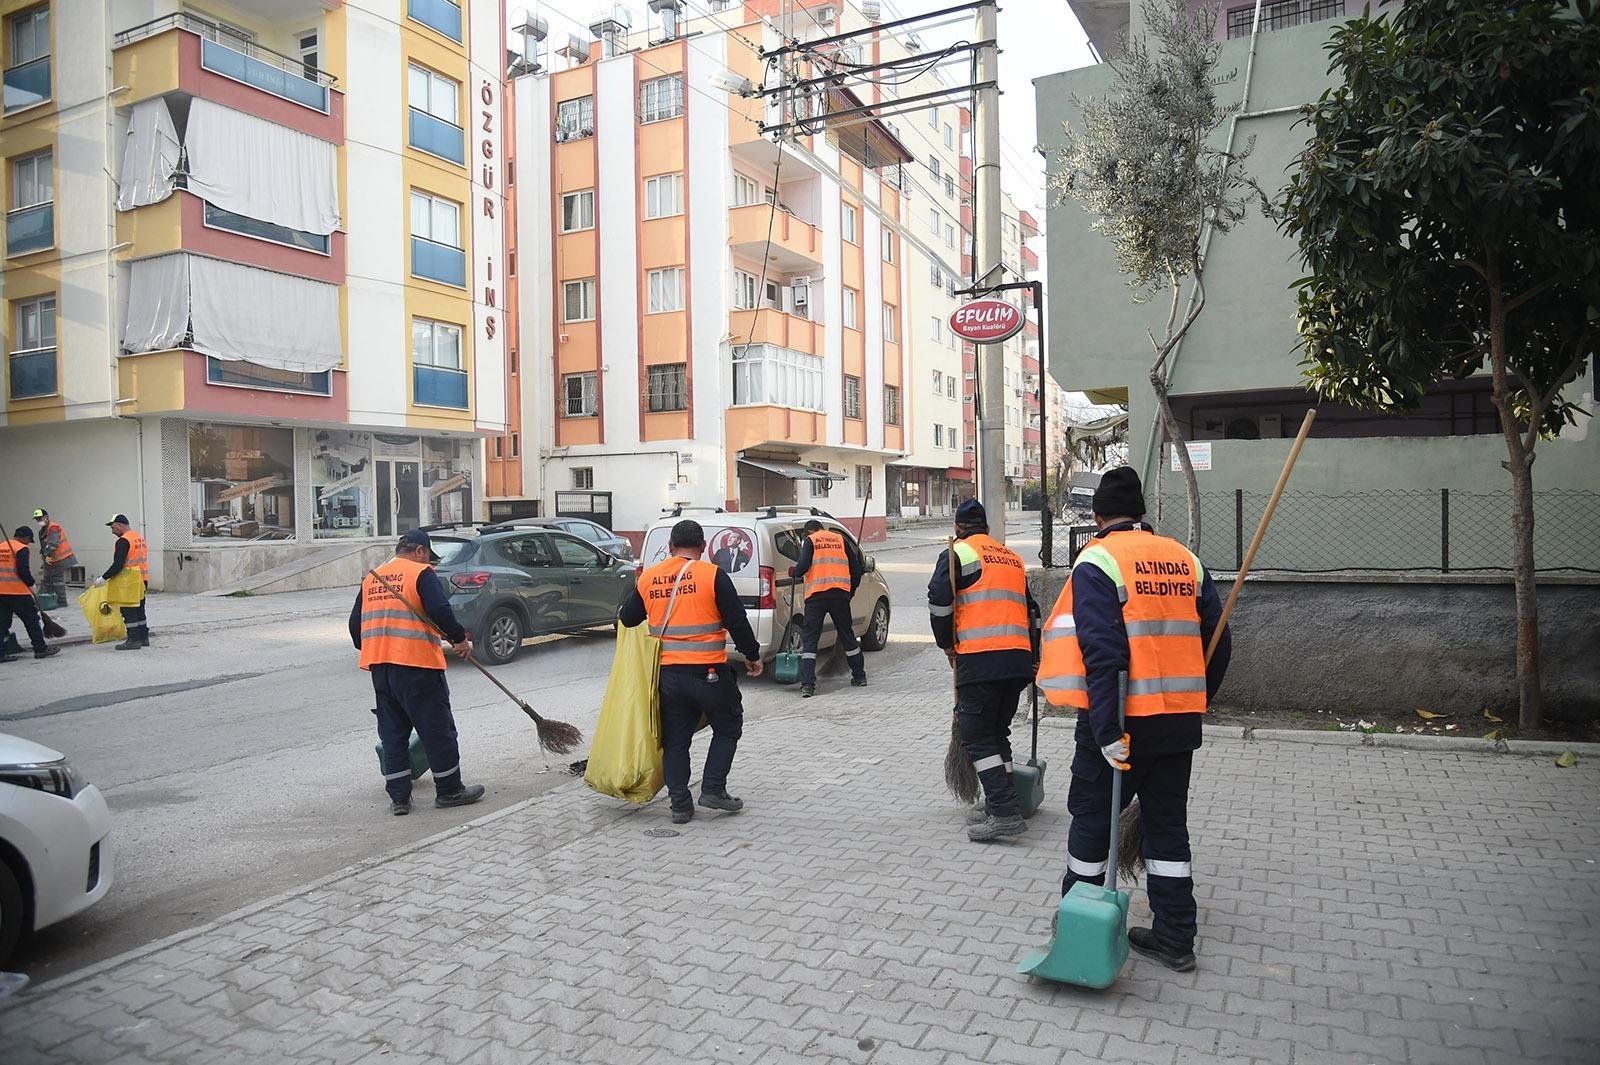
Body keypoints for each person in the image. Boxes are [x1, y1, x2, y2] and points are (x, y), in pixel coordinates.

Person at [1037, 466, 1231, 973]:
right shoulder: (1185, 559)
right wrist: (1194, 701)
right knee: (1167, 829)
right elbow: (1219, 642)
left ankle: (1079, 932)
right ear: (1142, 514)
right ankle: (1175, 938)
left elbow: (1104, 652)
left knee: (1092, 825)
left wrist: (1105, 730)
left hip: (1119, 726)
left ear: (1099, 516)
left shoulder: (1098, 560)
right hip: (1176, 725)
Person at [619, 519, 763, 824]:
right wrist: (752, 655)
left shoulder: (649, 577)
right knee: (728, 725)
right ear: (703, 547)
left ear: (670, 546)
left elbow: (628, 619)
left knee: (675, 739)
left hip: (668, 676)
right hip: (709, 672)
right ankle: (712, 788)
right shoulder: (712, 575)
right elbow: (737, 621)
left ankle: (680, 805)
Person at [928, 499, 1041, 842]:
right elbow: (1032, 612)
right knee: (997, 732)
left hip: (981, 658)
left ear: (957, 528)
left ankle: (1004, 813)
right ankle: (1001, 802)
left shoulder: (957, 553)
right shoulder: (1011, 558)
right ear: (987, 529)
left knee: (976, 736)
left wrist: (947, 644)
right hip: (1017, 661)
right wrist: (1034, 654)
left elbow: (939, 603)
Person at [788, 519, 866, 697]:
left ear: (809, 532)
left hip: (816, 597)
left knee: (811, 639)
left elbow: (803, 566)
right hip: (840, 596)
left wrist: (795, 572)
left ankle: (808, 685)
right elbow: (856, 569)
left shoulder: (811, 541)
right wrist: (850, 592)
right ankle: (859, 676)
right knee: (847, 635)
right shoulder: (840, 540)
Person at [0, 526, 60, 662]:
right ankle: (40, 649)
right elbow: (23, 570)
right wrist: (31, 583)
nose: (28, 543)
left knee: (2, 623)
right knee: (32, 620)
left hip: (1, 592)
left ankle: (0, 653)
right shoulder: (21, 548)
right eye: (29, 541)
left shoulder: (1, 546)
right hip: (17, 592)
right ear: (27, 538)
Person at [93, 514, 149, 651]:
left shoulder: (123, 541)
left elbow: (118, 564)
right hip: (142, 579)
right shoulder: (138, 537)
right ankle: (143, 637)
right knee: (139, 609)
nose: (112, 532)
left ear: (119, 525)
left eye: (113, 528)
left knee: (128, 611)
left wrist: (103, 578)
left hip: (129, 581)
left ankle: (133, 640)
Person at [32, 509, 76, 610]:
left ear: (46, 517)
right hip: (53, 558)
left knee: (57, 580)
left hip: (60, 557)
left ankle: (61, 601)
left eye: (40, 518)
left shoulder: (53, 527)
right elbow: (45, 545)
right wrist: (43, 553)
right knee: (47, 579)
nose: (38, 521)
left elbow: (53, 544)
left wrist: (45, 554)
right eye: (37, 519)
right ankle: (45, 600)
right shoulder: (44, 529)